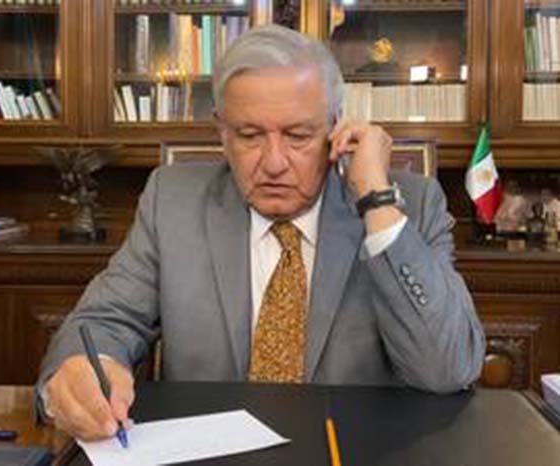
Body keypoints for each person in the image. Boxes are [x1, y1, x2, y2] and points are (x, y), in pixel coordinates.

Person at [37, 24, 485, 441]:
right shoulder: (172, 202)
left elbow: (447, 370)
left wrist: (376, 202)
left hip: (355, 452)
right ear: (222, 131)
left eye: (298, 136)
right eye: (250, 135)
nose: (273, 163)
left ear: (336, 128)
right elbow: (103, 322)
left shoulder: (409, 206)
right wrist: (84, 371)